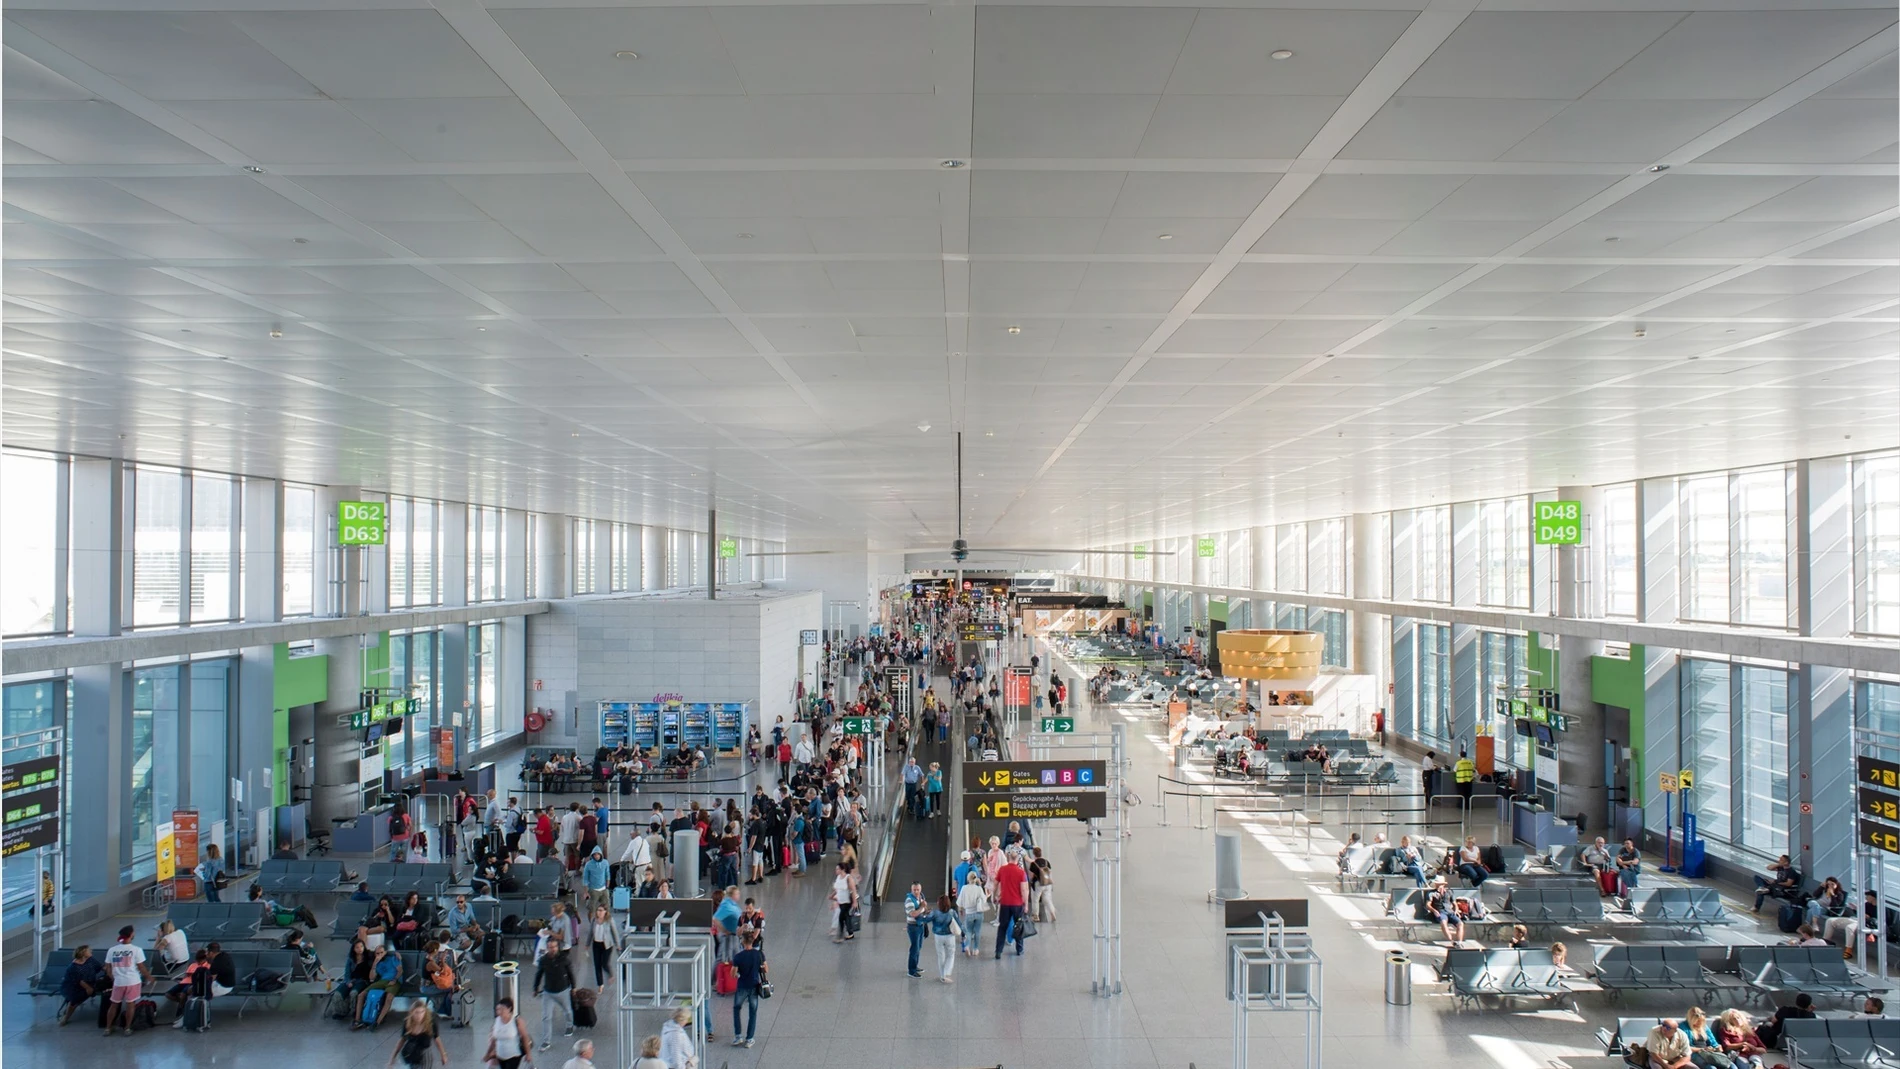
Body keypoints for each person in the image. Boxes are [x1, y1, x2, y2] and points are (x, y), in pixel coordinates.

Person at [102, 924, 151, 1036]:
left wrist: (113, 977)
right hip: (132, 981)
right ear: (131, 935)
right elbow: (141, 967)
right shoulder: (136, 950)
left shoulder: (112, 950)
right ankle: (127, 1028)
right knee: (130, 1005)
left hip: (118, 982)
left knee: (113, 1005)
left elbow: (108, 967)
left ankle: (108, 1028)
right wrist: (149, 977)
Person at [533, 933, 576, 1049]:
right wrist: (535, 988)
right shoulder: (543, 960)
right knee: (546, 1017)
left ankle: (569, 1025)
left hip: (563, 990)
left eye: (554, 947)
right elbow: (539, 974)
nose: (552, 949)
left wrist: (574, 987)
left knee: (567, 1010)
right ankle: (546, 1041)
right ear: (547, 948)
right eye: (550, 947)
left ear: (558, 947)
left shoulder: (564, 959)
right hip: (548, 992)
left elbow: (571, 973)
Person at [728, 930, 766, 1047]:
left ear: (743, 942)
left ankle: (738, 1036)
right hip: (754, 986)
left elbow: (732, 974)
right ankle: (749, 1039)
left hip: (742, 986)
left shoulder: (738, 957)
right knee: (752, 1012)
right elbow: (766, 969)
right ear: (753, 940)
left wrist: (739, 972)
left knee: (736, 1009)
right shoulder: (759, 954)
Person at [355, 943, 403, 1030]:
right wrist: (374, 964)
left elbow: (400, 970)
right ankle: (357, 1020)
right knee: (361, 995)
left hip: (394, 980)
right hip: (382, 981)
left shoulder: (393, 958)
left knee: (389, 998)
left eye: (381, 953)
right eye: (377, 953)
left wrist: (395, 979)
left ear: (385, 952)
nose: (379, 955)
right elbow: (371, 978)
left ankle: (377, 1022)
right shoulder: (376, 963)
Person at [994, 848, 1030, 959]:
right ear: (1017, 859)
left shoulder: (1002, 870)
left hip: (1004, 903)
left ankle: (998, 951)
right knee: (1018, 926)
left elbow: (996, 883)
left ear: (1008, 858)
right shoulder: (1021, 873)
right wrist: (1026, 904)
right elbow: (1024, 890)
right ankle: (1019, 949)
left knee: (1002, 928)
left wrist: (996, 896)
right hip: (1017, 904)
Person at [389, 1002, 448, 1069]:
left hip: (425, 1054)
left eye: (422, 1012)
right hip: (412, 1053)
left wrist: (443, 1054)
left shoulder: (431, 1023)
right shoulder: (407, 1023)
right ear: (412, 1013)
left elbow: (437, 1039)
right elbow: (401, 1041)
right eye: (417, 1012)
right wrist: (392, 1058)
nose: (419, 1015)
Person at [57, 944, 103, 1026]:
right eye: (89, 950)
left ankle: (68, 1010)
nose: (91, 951)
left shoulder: (90, 960)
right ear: (83, 953)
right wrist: (88, 988)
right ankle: (66, 1017)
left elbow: (100, 967)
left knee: (81, 997)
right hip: (74, 986)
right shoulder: (73, 967)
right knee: (75, 998)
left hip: (88, 983)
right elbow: (79, 981)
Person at [484, 996, 533, 1069]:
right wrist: (488, 1054)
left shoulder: (517, 1021)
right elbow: (494, 1039)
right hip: (500, 1056)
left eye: (502, 1009)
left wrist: (528, 1054)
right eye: (498, 1009)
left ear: (509, 1009)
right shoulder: (497, 1021)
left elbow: (525, 1037)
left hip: (514, 1055)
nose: (499, 1012)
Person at [928, 893, 962, 983]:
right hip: (950, 936)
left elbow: (925, 920)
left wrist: (920, 916)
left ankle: (942, 975)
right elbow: (959, 923)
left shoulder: (935, 913)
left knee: (941, 956)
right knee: (951, 954)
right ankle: (946, 973)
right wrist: (964, 934)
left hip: (938, 936)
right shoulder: (952, 912)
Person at [586, 903, 619, 988]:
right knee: (597, 965)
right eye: (598, 910)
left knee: (605, 963)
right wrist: (587, 944)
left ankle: (611, 975)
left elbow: (614, 933)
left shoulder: (609, 920)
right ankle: (600, 984)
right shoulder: (594, 920)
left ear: (605, 912)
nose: (599, 912)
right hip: (596, 944)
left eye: (601, 910)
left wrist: (617, 944)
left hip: (607, 945)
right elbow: (590, 933)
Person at [957, 869, 989, 957]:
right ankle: (976, 949)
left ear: (968, 879)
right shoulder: (978, 889)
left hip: (969, 913)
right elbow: (984, 899)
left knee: (968, 931)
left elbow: (959, 902)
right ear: (976, 879)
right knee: (977, 931)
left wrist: (960, 910)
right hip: (979, 913)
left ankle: (967, 946)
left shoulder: (964, 888)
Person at [904, 882, 930, 978]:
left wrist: (926, 909)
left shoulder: (920, 897)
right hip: (913, 927)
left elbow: (924, 909)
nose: (916, 892)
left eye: (917, 890)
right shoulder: (909, 900)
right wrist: (922, 907)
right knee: (914, 948)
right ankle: (911, 970)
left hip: (920, 925)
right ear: (911, 890)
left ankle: (915, 966)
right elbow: (913, 914)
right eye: (914, 890)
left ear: (920, 889)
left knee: (919, 947)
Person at [829, 863, 857, 944]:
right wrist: (832, 896)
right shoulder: (838, 877)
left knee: (841, 918)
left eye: (837, 869)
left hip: (847, 901)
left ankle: (840, 936)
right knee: (846, 917)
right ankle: (850, 932)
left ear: (843, 869)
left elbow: (853, 890)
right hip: (841, 901)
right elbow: (838, 889)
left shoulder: (848, 878)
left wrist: (854, 902)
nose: (836, 871)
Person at [581, 848, 611, 913]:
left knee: (606, 908)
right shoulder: (588, 864)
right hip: (593, 889)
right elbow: (585, 878)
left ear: (601, 855)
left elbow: (607, 875)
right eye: (595, 854)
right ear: (592, 855)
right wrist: (586, 892)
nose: (596, 856)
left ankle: (605, 921)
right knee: (591, 909)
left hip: (603, 889)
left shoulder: (605, 863)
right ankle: (591, 922)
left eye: (598, 854)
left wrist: (607, 887)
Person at [1030, 849, 1056, 923]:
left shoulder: (1033, 864)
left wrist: (1031, 881)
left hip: (1039, 884)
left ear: (1034, 854)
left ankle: (1036, 916)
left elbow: (1031, 876)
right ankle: (1052, 912)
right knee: (1047, 899)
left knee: (1036, 899)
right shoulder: (1046, 862)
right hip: (1047, 883)